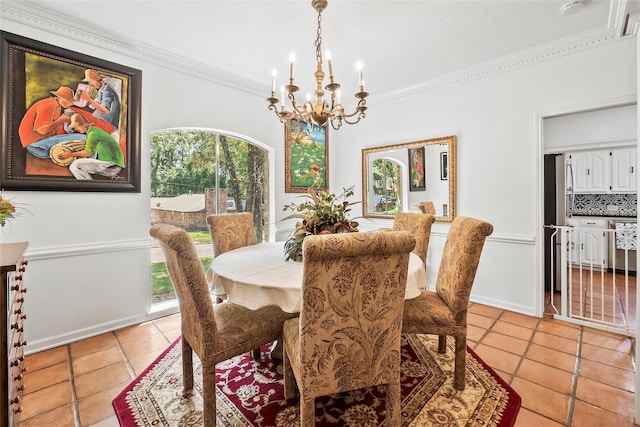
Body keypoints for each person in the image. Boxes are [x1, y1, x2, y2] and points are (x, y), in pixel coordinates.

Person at [18, 86, 87, 159]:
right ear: (59, 97)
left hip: (42, 146)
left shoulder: (57, 105)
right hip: (35, 145)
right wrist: (60, 120)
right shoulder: (49, 105)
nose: (71, 103)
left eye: (71, 101)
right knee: (83, 138)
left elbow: (53, 131)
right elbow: (42, 131)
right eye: (68, 100)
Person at [57, 113, 124, 180]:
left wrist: (70, 154)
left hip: (111, 166)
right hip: (113, 165)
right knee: (81, 163)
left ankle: (88, 184)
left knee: (75, 165)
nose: (76, 129)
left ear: (81, 125)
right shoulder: (94, 131)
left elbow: (87, 153)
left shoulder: (92, 134)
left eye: (76, 127)